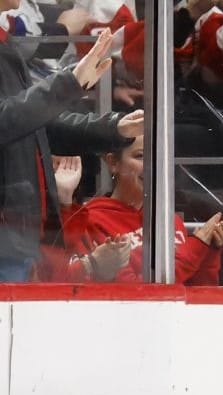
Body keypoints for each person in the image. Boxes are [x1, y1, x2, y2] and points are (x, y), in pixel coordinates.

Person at [0, 25, 144, 282]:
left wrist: (114, 128)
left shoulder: (5, 42)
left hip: (19, 237)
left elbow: (36, 125)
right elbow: (6, 121)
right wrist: (69, 83)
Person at [60, 135, 223, 284]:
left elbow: (200, 294)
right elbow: (136, 293)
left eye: (157, 155)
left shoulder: (169, 220)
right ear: (113, 163)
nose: (151, 165)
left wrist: (209, 253)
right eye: (140, 156)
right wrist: (196, 247)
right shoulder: (93, 221)